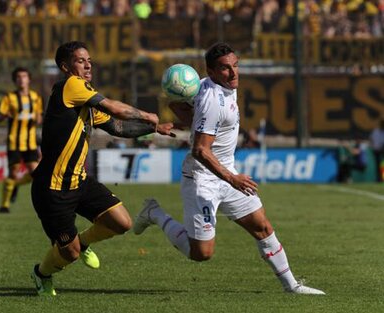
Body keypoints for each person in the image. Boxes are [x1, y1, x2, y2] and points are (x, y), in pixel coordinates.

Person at [133, 43, 325, 295]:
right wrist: (232, 178)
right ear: (211, 72)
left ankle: (292, 286)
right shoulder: (212, 101)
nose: (233, 73)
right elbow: (200, 150)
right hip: (203, 178)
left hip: (226, 173)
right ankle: (155, 213)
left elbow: (177, 103)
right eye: (225, 68)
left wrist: (192, 122)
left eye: (235, 66)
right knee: (201, 253)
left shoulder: (210, 86)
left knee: (262, 227)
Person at [30, 41, 174, 296]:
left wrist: (154, 129)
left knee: (121, 222)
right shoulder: (71, 86)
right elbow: (114, 108)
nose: (87, 64)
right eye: (80, 60)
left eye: (89, 60)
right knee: (69, 253)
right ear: (65, 67)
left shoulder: (84, 100)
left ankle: (84, 242)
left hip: (79, 181)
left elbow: (117, 127)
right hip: (53, 189)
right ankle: (42, 274)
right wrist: (146, 115)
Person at [0, 67, 43, 213]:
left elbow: (39, 118)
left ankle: (16, 184)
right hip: (14, 142)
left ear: (29, 79)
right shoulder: (9, 98)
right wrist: (4, 116)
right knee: (13, 173)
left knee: (36, 173)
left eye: (24, 76)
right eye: (18, 77)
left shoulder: (35, 97)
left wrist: (38, 118)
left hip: (30, 142)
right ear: (15, 80)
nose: (21, 79)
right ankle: (5, 205)